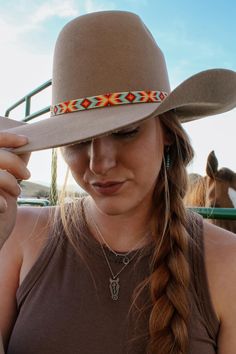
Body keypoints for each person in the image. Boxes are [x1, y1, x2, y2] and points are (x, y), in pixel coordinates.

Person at [0, 10, 236, 354]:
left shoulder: (227, 263)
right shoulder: (15, 234)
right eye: (77, 140)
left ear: (167, 133)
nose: (99, 163)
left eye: (126, 132)